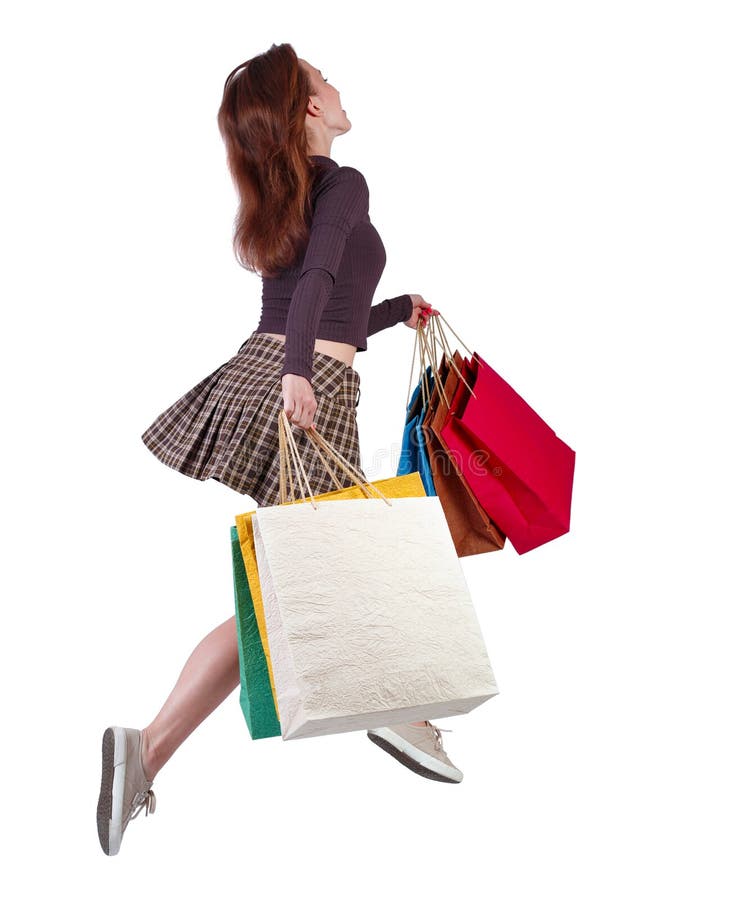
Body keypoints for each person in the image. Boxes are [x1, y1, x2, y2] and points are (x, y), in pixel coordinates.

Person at [96, 42, 463, 858]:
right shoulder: (343, 184)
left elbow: (324, 303)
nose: (337, 85)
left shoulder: (294, 191)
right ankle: (402, 716)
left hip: (275, 372)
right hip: (302, 388)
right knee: (348, 559)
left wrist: (395, 307)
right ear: (305, 106)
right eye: (324, 77)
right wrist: (300, 374)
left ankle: (146, 748)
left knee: (288, 584)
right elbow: (315, 287)